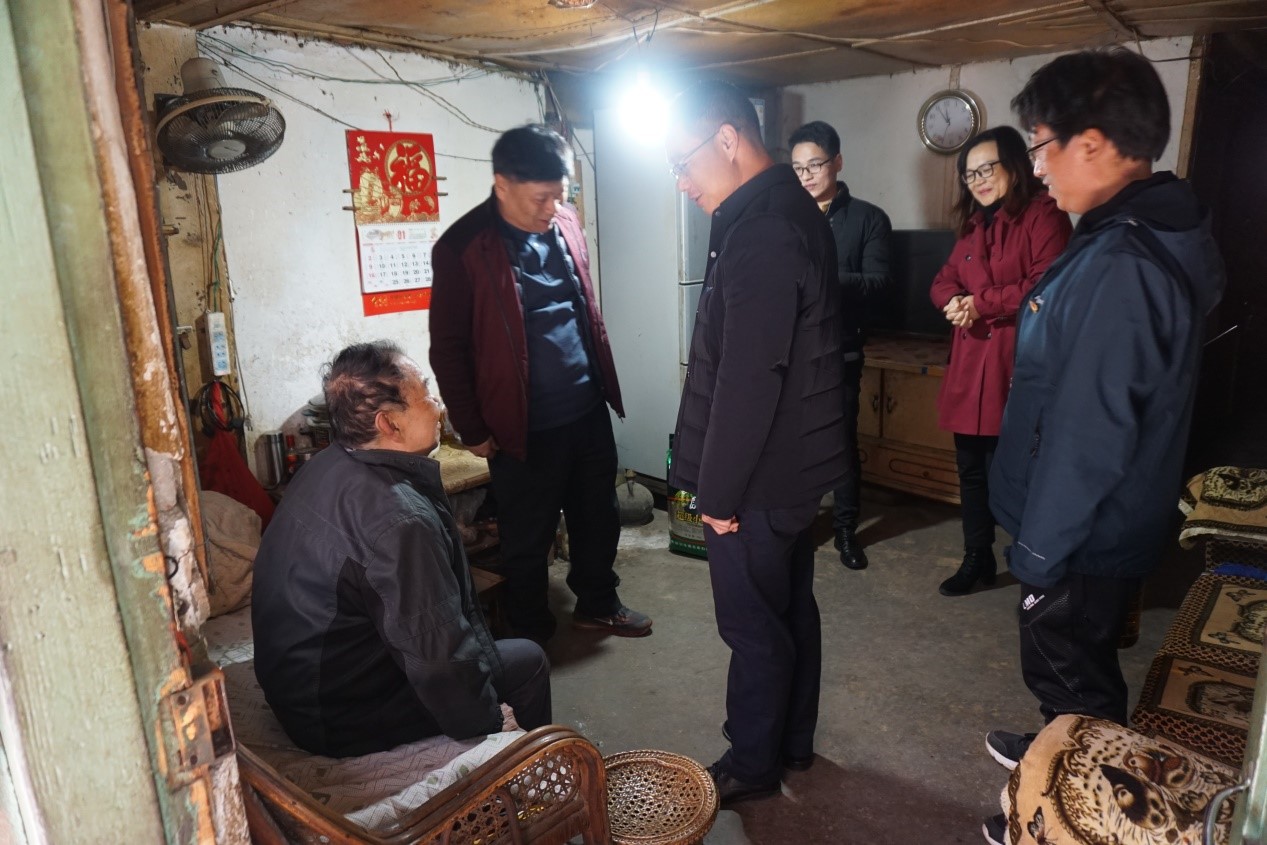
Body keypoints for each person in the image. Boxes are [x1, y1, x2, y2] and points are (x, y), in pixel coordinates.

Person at [980, 48, 1225, 845]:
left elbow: (1091, 431)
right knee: (1072, 661)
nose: (1036, 167)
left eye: (1039, 146)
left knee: (1072, 670)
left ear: (1090, 143)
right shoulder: (1126, 234)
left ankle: (1072, 813)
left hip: (1081, 527)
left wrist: (1039, 551)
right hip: (1092, 518)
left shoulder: (1122, 261)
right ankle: (1056, 750)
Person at [666, 81, 847, 804]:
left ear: (728, 140)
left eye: (684, 162)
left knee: (751, 624)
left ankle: (752, 762)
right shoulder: (785, 211)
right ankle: (792, 742)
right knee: (789, 607)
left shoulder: (763, 229)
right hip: (791, 468)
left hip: (760, 477)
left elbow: (749, 377)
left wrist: (716, 495)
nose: (682, 182)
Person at [252, 342, 551, 757]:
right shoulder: (399, 519)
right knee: (529, 661)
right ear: (389, 423)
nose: (438, 405)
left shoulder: (326, 464)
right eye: (425, 393)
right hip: (335, 716)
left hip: (299, 688)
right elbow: (440, 660)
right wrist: (487, 726)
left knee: (486, 650)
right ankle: (523, 774)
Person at [429, 125, 651, 643]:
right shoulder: (463, 248)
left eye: (560, 194)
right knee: (527, 535)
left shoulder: (566, 222)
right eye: (540, 198)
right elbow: (448, 348)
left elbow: (582, 309)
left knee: (598, 516)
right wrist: (472, 427)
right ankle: (530, 634)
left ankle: (598, 603)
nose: (553, 208)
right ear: (502, 185)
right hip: (520, 424)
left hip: (586, 406)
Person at [928, 126, 1071, 597]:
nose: (979, 180)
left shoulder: (1043, 214)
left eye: (987, 168)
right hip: (971, 363)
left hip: (1016, 361)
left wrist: (980, 303)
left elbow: (1045, 285)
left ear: (1015, 164)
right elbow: (942, 280)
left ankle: (1034, 562)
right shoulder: (974, 225)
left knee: (1018, 470)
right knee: (970, 466)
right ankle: (977, 555)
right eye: (970, 174)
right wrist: (954, 301)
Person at [789, 120, 893, 571]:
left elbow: (879, 283)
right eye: (798, 168)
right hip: (792, 352)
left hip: (841, 349)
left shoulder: (868, 219)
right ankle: (799, 524)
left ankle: (846, 530)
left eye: (815, 165)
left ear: (837, 162)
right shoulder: (786, 217)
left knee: (840, 442)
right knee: (796, 442)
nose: (807, 176)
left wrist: (824, 279)